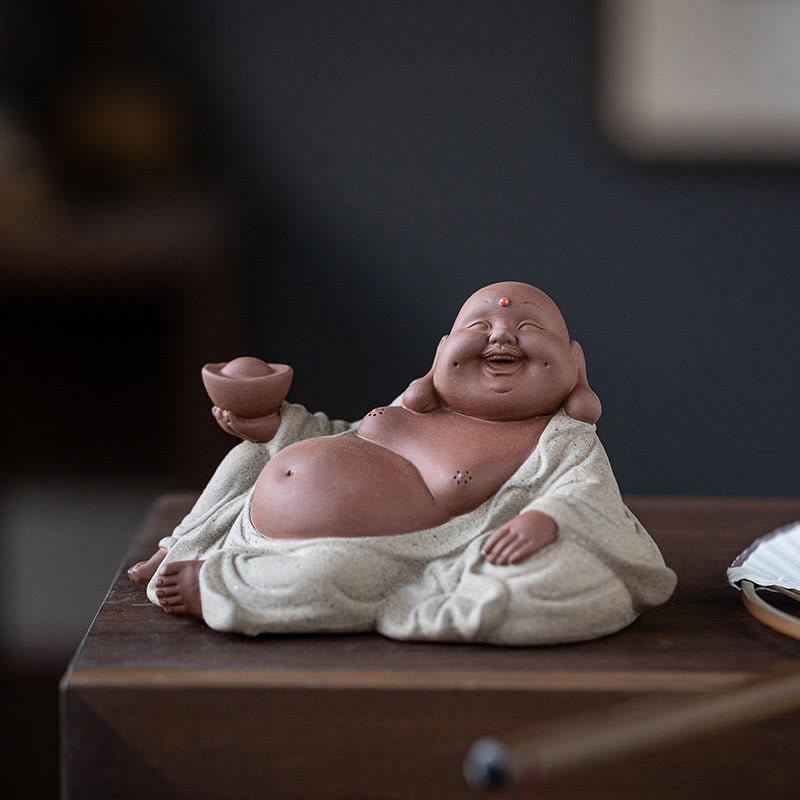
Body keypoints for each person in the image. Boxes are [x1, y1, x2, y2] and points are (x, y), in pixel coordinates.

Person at [129, 282, 676, 644]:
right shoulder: (416, 409)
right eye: (478, 326)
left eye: (529, 329)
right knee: (247, 457)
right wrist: (276, 428)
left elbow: (589, 490)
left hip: (372, 553)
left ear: (574, 363)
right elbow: (343, 438)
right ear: (441, 353)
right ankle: (183, 545)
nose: (501, 334)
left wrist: (547, 518)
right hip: (262, 517)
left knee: (330, 576)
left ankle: (217, 584)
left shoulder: (557, 439)